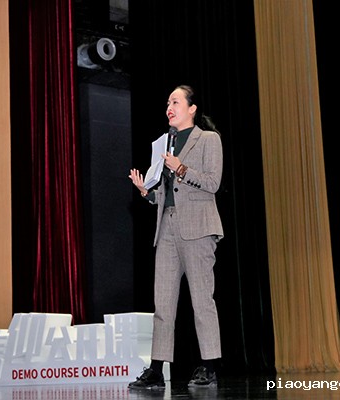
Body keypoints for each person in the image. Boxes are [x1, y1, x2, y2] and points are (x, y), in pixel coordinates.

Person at [128, 85, 224, 389]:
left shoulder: (208, 139)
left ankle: (210, 366)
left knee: (202, 301)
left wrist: (181, 167)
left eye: (175, 102)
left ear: (191, 108)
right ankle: (156, 369)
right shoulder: (165, 143)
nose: (169, 107)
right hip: (167, 228)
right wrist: (146, 192)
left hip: (198, 228)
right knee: (163, 304)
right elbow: (168, 193)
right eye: (168, 103)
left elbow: (213, 182)